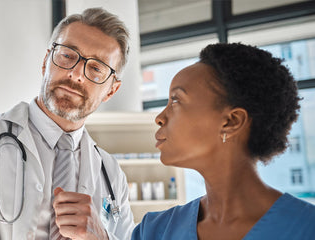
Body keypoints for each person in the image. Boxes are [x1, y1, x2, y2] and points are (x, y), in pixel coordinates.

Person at [0, 8, 134, 240]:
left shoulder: (111, 173)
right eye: (68, 55)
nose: (76, 74)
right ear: (46, 61)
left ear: (111, 90)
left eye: (95, 68)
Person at [131, 43, 315, 240]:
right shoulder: (153, 231)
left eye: (176, 100)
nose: (159, 117)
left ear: (231, 121)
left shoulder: (307, 229)